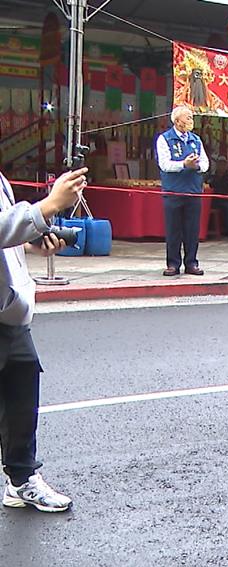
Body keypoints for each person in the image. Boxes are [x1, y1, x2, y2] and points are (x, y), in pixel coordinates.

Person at [0, 166, 89, 512]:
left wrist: (33, 235)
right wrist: (47, 207)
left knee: (22, 389)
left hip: (9, 307)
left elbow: (7, 224)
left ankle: (21, 481)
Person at [156, 104, 208, 276]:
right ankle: (173, 263)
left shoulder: (196, 140)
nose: (191, 121)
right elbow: (165, 164)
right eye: (188, 118)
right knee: (174, 229)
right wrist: (184, 164)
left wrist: (196, 165)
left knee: (192, 230)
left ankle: (191, 263)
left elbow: (206, 164)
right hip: (173, 192)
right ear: (177, 121)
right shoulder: (164, 139)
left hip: (193, 191)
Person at [205, 157, 228, 240]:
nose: (221, 165)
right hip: (213, 200)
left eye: (223, 163)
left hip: (227, 199)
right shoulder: (211, 176)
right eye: (220, 163)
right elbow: (205, 185)